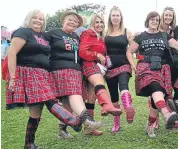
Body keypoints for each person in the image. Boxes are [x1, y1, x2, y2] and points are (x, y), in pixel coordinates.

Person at [5, 9, 97, 149]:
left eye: (41, 19)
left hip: (42, 73)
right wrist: (13, 77)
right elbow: (12, 53)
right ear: (29, 18)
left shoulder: (41, 35)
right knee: (49, 100)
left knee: (37, 110)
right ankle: (74, 122)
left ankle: (29, 144)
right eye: (35, 18)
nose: (38, 21)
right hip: (28, 72)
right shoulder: (23, 31)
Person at [126, 11, 178, 138]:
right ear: (147, 21)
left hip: (162, 69)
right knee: (156, 87)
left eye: (156, 20)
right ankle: (166, 113)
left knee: (157, 98)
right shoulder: (141, 36)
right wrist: (134, 67)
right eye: (152, 19)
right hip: (146, 67)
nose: (154, 22)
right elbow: (129, 52)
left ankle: (150, 125)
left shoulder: (164, 36)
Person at [45, 10, 103, 139]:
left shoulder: (76, 37)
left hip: (76, 71)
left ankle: (62, 130)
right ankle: (87, 120)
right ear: (64, 20)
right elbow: (40, 45)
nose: (72, 22)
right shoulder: (53, 33)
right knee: (74, 94)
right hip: (61, 69)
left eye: (75, 21)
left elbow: (83, 52)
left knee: (68, 101)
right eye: (70, 19)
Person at [79, 14, 122, 128]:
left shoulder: (100, 37)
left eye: (101, 22)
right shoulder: (88, 34)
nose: (99, 24)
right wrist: (97, 54)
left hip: (97, 66)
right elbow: (82, 52)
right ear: (92, 23)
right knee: (99, 82)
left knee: (91, 97)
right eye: (97, 22)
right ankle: (107, 104)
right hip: (89, 64)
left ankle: (89, 127)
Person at [146, 6, 178, 131]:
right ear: (162, 16)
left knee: (165, 92)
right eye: (166, 15)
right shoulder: (156, 29)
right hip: (156, 64)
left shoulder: (174, 31)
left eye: (170, 15)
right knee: (156, 91)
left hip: (169, 64)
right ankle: (154, 121)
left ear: (173, 17)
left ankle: (168, 117)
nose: (168, 17)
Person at [105, 6, 135, 133]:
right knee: (114, 97)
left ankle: (129, 108)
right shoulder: (105, 32)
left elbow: (134, 46)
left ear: (121, 17)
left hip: (124, 64)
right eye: (113, 15)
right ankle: (116, 124)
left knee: (124, 86)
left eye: (118, 15)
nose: (116, 18)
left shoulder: (126, 31)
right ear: (110, 18)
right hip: (110, 67)